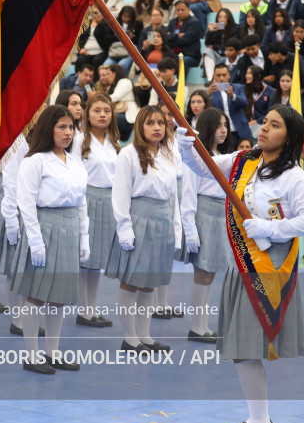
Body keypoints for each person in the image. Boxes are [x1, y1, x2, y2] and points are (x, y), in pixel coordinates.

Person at [176, 105, 304, 423]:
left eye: (275, 126)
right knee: (242, 347)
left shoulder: (297, 178)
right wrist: (187, 147)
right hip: (240, 263)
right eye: (265, 122)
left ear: (289, 138)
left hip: (268, 267)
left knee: (246, 347)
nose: (264, 129)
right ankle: (258, 418)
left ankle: (260, 422)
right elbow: (205, 169)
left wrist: (273, 228)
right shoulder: (245, 161)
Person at [9, 104, 89, 374]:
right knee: (37, 294)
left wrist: (84, 238)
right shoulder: (36, 161)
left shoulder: (75, 162)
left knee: (59, 297)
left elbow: (82, 204)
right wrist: (36, 241)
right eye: (62, 127)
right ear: (48, 129)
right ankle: (32, 355)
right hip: (44, 226)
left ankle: (52, 351)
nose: (68, 132)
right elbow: (26, 203)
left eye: (70, 127)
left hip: (69, 227)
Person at [107, 105, 179, 354]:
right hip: (139, 217)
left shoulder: (170, 155)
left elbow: (173, 197)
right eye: (151, 123)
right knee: (132, 281)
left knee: (150, 283)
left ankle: (145, 335)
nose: (157, 127)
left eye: (161, 122)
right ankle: (130, 337)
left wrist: (175, 229)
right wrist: (124, 228)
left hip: (162, 218)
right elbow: (120, 193)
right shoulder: (128, 154)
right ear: (140, 126)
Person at [181, 107, 233, 344]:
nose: (223, 130)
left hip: (219, 213)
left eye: (225, 125)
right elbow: (189, 192)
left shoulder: (219, 154)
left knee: (210, 273)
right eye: (219, 125)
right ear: (209, 126)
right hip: (204, 212)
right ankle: (197, 326)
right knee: (202, 273)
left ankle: (202, 325)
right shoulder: (197, 154)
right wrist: (190, 228)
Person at [70, 94, 119, 328]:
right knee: (85, 257)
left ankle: (92, 309)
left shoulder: (115, 142)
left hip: (108, 199)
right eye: (97, 110)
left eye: (106, 111)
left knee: (97, 258)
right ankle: (83, 309)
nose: (102, 115)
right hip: (87, 197)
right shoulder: (79, 140)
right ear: (87, 114)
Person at [208, 63, 251, 146]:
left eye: (224, 75)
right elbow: (205, 109)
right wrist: (208, 94)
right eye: (218, 75)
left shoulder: (238, 88)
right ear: (214, 77)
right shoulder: (210, 92)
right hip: (221, 134)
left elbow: (245, 103)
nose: (221, 78)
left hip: (240, 131)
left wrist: (233, 96)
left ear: (229, 75)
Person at [166, 0, 203, 68]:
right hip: (172, 54)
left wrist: (171, 38)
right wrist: (177, 36)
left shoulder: (194, 23)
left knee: (182, 61)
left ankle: (181, 79)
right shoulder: (172, 22)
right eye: (178, 10)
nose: (180, 12)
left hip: (189, 55)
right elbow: (165, 39)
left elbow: (186, 40)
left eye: (182, 10)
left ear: (188, 10)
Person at [204, 9, 238, 79]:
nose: (222, 19)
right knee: (207, 51)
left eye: (224, 17)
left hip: (229, 55)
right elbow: (208, 45)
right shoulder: (215, 29)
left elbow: (235, 44)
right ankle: (210, 78)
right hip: (217, 55)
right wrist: (210, 32)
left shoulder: (236, 28)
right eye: (220, 17)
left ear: (229, 18)